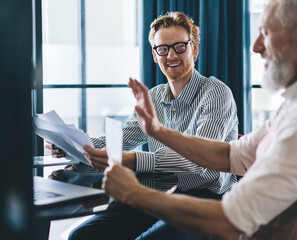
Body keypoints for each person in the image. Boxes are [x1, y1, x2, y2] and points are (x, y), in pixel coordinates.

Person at [103, 0, 297, 239]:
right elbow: (231, 154)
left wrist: (135, 193)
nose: (255, 46)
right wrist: (158, 131)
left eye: (266, 33)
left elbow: (231, 220)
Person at [48, 11, 238, 240]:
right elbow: (123, 139)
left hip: (204, 197)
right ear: (155, 55)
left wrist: (131, 160)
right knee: (81, 236)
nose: (171, 55)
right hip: (155, 193)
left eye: (180, 47)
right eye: (163, 49)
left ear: (194, 49)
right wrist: (74, 149)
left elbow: (198, 161)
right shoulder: (155, 96)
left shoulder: (216, 92)